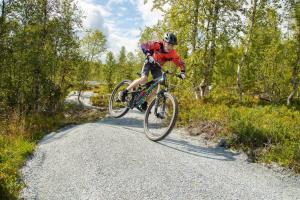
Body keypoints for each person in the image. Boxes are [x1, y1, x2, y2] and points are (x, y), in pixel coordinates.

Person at [118, 32, 186, 111]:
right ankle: (124, 92)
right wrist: (148, 55)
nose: (170, 47)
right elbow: (143, 45)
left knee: (157, 86)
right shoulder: (157, 44)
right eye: (169, 44)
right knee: (144, 79)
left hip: (157, 67)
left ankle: (145, 102)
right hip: (149, 62)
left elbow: (180, 62)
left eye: (172, 45)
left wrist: (182, 72)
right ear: (164, 42)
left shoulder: (173, 53)